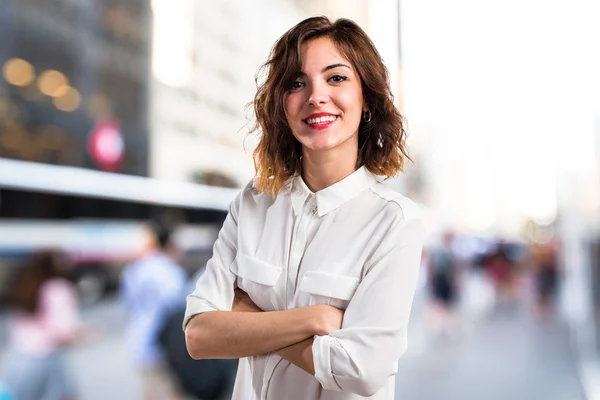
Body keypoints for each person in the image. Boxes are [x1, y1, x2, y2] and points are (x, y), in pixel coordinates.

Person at [184, 16, 426, 399]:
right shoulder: (252, 204)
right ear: (282, 104)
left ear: (366, 99)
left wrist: (248, 322)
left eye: (336, 78)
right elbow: (198, 335)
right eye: (297, 82)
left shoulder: (394, 221)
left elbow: (362, 371)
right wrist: (314, 319)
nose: (316, 95)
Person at [3, 249, 87, 400]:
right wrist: (85, 333)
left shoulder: (25, 285)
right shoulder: (58, 288)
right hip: (48, 358)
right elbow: (64, 331)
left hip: (21, 358)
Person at [120, 224, 188, 400]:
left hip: (139, 339)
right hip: (163, 344)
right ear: (169, 244)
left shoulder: (134, 269)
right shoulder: (171, 272)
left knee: (150, 391)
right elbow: (177, 309)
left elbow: (128, 303)